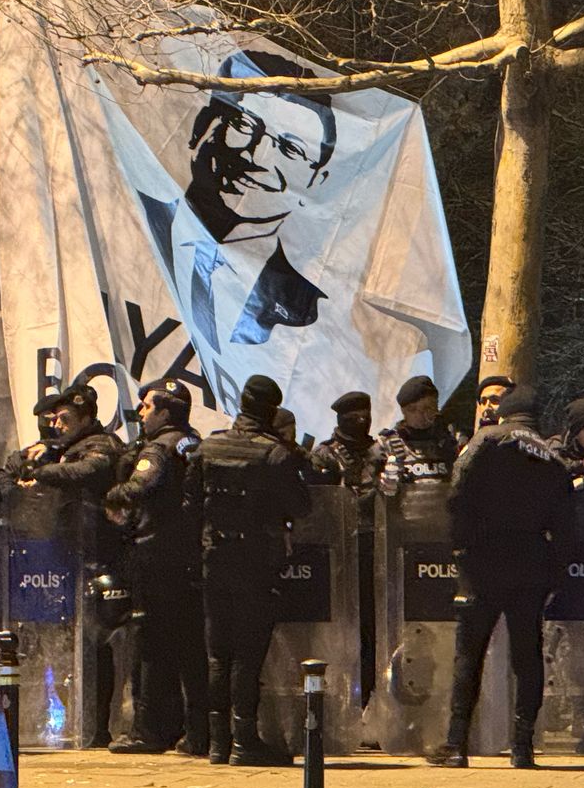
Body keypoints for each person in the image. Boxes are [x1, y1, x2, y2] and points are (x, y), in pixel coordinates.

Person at [132, 52, 338, 408]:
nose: (256, 156)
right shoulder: (127, 220)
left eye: (289, 148)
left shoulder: (306, 314)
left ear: (316, 180)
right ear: (204, 127)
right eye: (243, 125)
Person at [431, 384, 573, 769]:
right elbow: (565, 524)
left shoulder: (486, 440)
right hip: (530, 561)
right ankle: (522, 747)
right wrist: (554, 573)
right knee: (527, 655)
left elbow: (457, 491)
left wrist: (461, 545)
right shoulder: (550, 457)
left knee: (470, 652)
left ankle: (456, 743)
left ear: (505, 411)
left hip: (483, 560)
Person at [186, 374, 310, 765]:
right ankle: (243, 739)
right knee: (247, 654)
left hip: (215, 559)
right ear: (271, 410)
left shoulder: (208, 447)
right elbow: (301, 506)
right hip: (257, 563)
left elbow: (190, 506)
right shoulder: (275, 454)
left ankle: (218, 742)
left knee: (217, 653)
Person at [13, 382, 126, 745]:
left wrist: (41, 471)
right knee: (62, 645)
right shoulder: (60, 448)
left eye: (65, 418)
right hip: (63, 557)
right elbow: (18, 463)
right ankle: (72, 720)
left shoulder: (101, 446)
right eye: (55, 419)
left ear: (86, 418)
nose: (58, 425)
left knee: (95, 644)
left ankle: (96, 727)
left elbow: (83, 474)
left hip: (98, 556)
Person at [104, 379, 206, 756]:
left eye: (147, 407)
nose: (142, 414)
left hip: (158, 554)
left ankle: (149, 731)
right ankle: (194, 731)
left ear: (164, 411)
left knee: (151, 645)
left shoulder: (159, 448)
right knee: (190, 646)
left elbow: (139, 488)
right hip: (190, 554)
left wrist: (112, 497)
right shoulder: (193, 441)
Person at [311, 391, 382, 702]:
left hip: (375, 552)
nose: (361, 422)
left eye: (365, 416)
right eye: (355, 417)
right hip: (339, 555)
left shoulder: (380, 453)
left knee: (372, 631)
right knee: (340, 633)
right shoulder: (325, 455)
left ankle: (369, 697)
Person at [377, 375, 459, 496]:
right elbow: (366, 494)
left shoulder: (447, 443)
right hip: (403, 513)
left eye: (427, 408)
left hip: (441, 513)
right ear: (403, 412)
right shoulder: (387, 445)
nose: (420, 415)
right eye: (412, 409)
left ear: (436, 407)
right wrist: (384, 485)